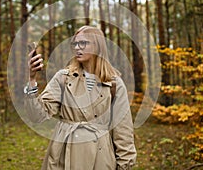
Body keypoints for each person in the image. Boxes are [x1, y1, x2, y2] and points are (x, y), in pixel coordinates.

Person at [24, 26, 136, 170]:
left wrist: (124, 165)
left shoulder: (114, 83)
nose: (77, 47)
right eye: (75, 44)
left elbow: (123, 131)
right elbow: (36, 116)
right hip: (64, 155)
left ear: (97, 46)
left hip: (100, 158)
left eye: (83, 43)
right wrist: (32, 79)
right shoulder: (63, 77)